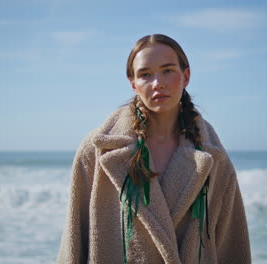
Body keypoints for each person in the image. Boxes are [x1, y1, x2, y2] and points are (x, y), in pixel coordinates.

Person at [57, 34, 251, 263]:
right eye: (145, 74)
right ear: (133, 83)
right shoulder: (98, 151)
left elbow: (232, 246)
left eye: (168, 70)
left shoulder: (213, 157)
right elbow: (74, 240)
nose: (157, 82)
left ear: (186, 76)